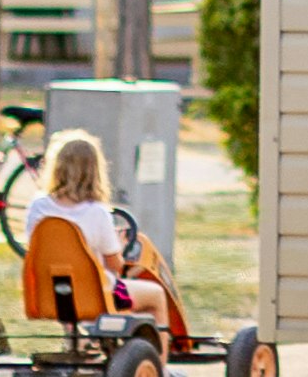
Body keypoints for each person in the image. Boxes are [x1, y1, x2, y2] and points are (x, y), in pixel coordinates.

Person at [19, 131, 192, 349]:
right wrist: (118, 246)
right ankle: (158, 368)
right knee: (156, 295)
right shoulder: (97, 213)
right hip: (97, 296)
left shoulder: (38, 207)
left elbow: (37, 251)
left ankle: (81, 340)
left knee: (80, 287)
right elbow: (115, 266)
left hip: (48, 295)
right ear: (94, 171)